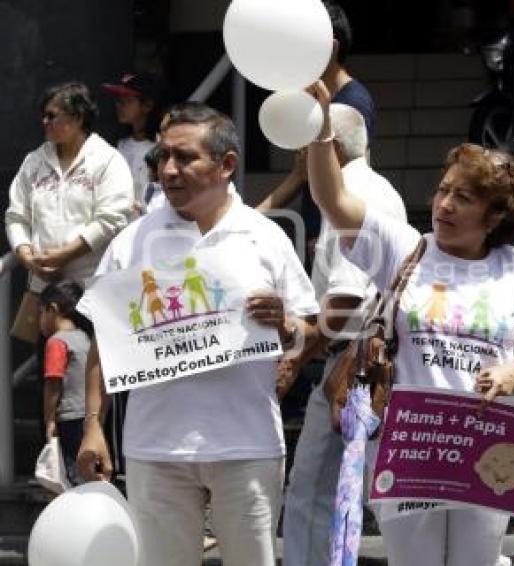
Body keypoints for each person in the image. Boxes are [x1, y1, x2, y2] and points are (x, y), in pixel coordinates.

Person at [306, 79, 514, 565]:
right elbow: (333, 200)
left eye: (463, 198)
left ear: (495, 214)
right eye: (444, 191)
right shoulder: (404, 246)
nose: (444, 205)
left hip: (486, 445)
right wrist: (320, 135)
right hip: (409, 444)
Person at [75, 102, 320, 566]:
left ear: (227, 165)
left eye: (185, 158)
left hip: (247, 444)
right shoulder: (133, 240)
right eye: (162, 157)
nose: (169, 170)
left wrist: (286, 323)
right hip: (155, 447)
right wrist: (93, 426)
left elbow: (308, 333)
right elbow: (104, 342)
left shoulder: (266, 237)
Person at [280, 103, 407, 566]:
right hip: (368, 361)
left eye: (304, 150)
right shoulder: (381, 189)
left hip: (355, 367)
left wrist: (296, 352)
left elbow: (345, 303)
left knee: (317, 490)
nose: (299, 162)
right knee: (377, 492)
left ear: (323, 148)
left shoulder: (350, 196)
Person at [257, 0, 376, 251]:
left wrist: (329, 240)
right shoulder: (314, 99)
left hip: (332, 243)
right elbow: (303, 174)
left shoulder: (351, 104)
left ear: (331, 48)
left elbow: (348, 181)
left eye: (302, 45)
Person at [5, 81, 134, 292]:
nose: (44, 121)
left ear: (78, 117)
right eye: (43, 116)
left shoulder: (107, 160)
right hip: (42, 285)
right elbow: (16, 217)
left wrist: (64, 255)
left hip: (92, 286)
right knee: (26, 327)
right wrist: (27, 257)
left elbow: (111, 219)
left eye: (52, 115)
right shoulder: (34, 162)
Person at [39, 279, 92, 486]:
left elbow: (53, 384)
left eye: (41, 313)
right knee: (88, 469)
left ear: (52, 309)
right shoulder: (85, 338)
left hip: (70, 417)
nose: (40, 320)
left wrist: (49, 419)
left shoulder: (56, 342)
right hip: (90, 415)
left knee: (72, 472)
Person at [102, 72, 164, 213]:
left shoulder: (162, 147)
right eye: (118, 100)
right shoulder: (119, 145)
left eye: (127, 101)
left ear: (147, 105)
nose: (119, 105)